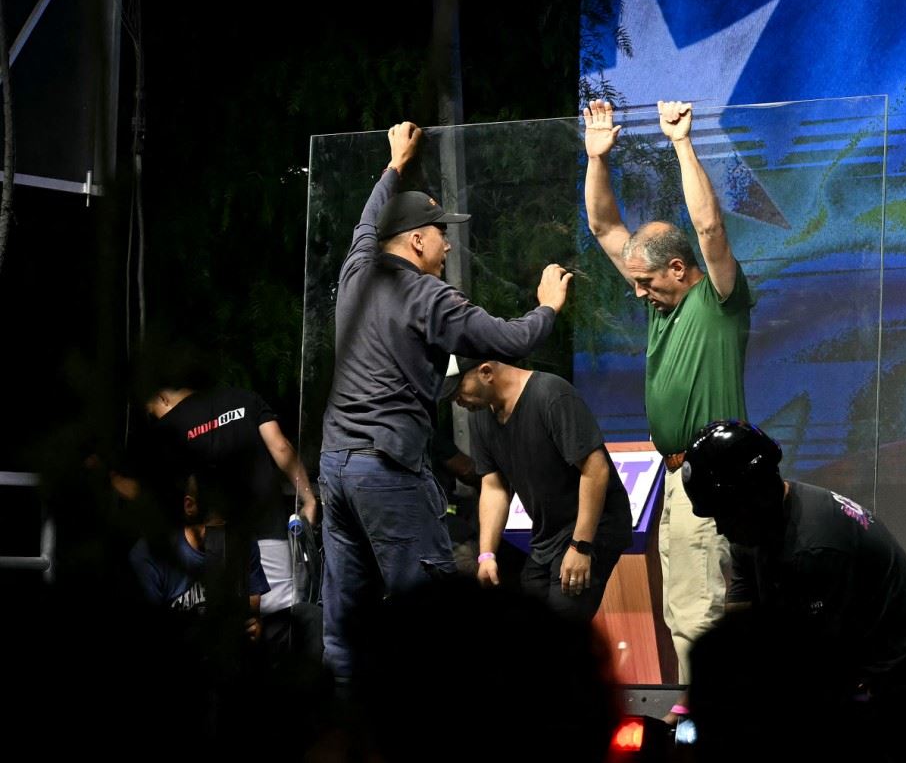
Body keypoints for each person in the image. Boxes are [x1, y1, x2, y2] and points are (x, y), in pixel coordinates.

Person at [317, 120, 573, 681]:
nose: (448, 242)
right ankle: (431, 753)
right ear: (415, 241)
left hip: (335, 466)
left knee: (343, 629)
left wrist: (394, 164)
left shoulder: (356, 269)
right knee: (427, 622)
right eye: (440, 232)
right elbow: (512, 341)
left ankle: (345, 748)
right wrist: (548, 306)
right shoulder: (426, 295)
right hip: (387, 468)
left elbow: (367, 220)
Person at [584, 98, 755, 682]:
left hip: (712, 473)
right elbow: (605, 227)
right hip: (678, 472)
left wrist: (681, 142)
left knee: (696, 610)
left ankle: (701, 725)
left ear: (679, 269)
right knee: (684, 604)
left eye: (647, 282)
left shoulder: (719, 301)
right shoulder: (661, 310)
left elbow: (708, 227)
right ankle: (699, 715)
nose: (639, 294)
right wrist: (597, 159)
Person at [681, 420, 906, 699]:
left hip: (896, 673)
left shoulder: (815, 549)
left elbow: (819, 661)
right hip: (848, 659)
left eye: (725, 514)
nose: (721, 528)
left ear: (758, 495)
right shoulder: (752, 528)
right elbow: (739, 626)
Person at [134, 367, 321, 655]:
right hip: (268, 530)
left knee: (225, 631)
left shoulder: (167, 428)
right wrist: (308, 499)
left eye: (152, 412)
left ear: (162, 396)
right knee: (279, 628)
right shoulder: (245, 398)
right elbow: (281, 448)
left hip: (213, 541)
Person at [447, 355, 632, 624]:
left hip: (594, 527)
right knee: (531, 623)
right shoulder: (482, 417)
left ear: (486, 372)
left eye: (457, 390)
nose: (457, 400)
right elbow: (494, 486)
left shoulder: (550, 395)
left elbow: (595, 469)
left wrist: (581, 547)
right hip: (547, 536)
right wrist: (486, 555)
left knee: (560, 630)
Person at [128, 472, 269, 641]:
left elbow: (252, 613)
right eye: (223, 522)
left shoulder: (243, 542)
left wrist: (253, 626)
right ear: (190, 506)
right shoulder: (150, 555)